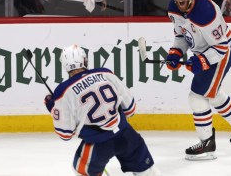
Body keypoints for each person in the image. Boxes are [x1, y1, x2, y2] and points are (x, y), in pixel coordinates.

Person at [166, 0, 231, 160]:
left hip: (220, 55)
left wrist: (202, 61)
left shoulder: (206, 11)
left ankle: (207, 144)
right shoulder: (173, 8)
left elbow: (222, 47)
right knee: (212, 93)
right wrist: (176, 52)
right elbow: (182, 35)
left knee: (196, 96)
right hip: (205, 53)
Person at [44, 45, 161, 175]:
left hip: (98, 145)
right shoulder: (105, 73)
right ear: (85, 60)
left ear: (64, 65)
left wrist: (53, 108)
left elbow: (65, 134)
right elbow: (130, 109)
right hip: (126, 135)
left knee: (81, 171)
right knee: (148, 172)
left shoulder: (63, 91)